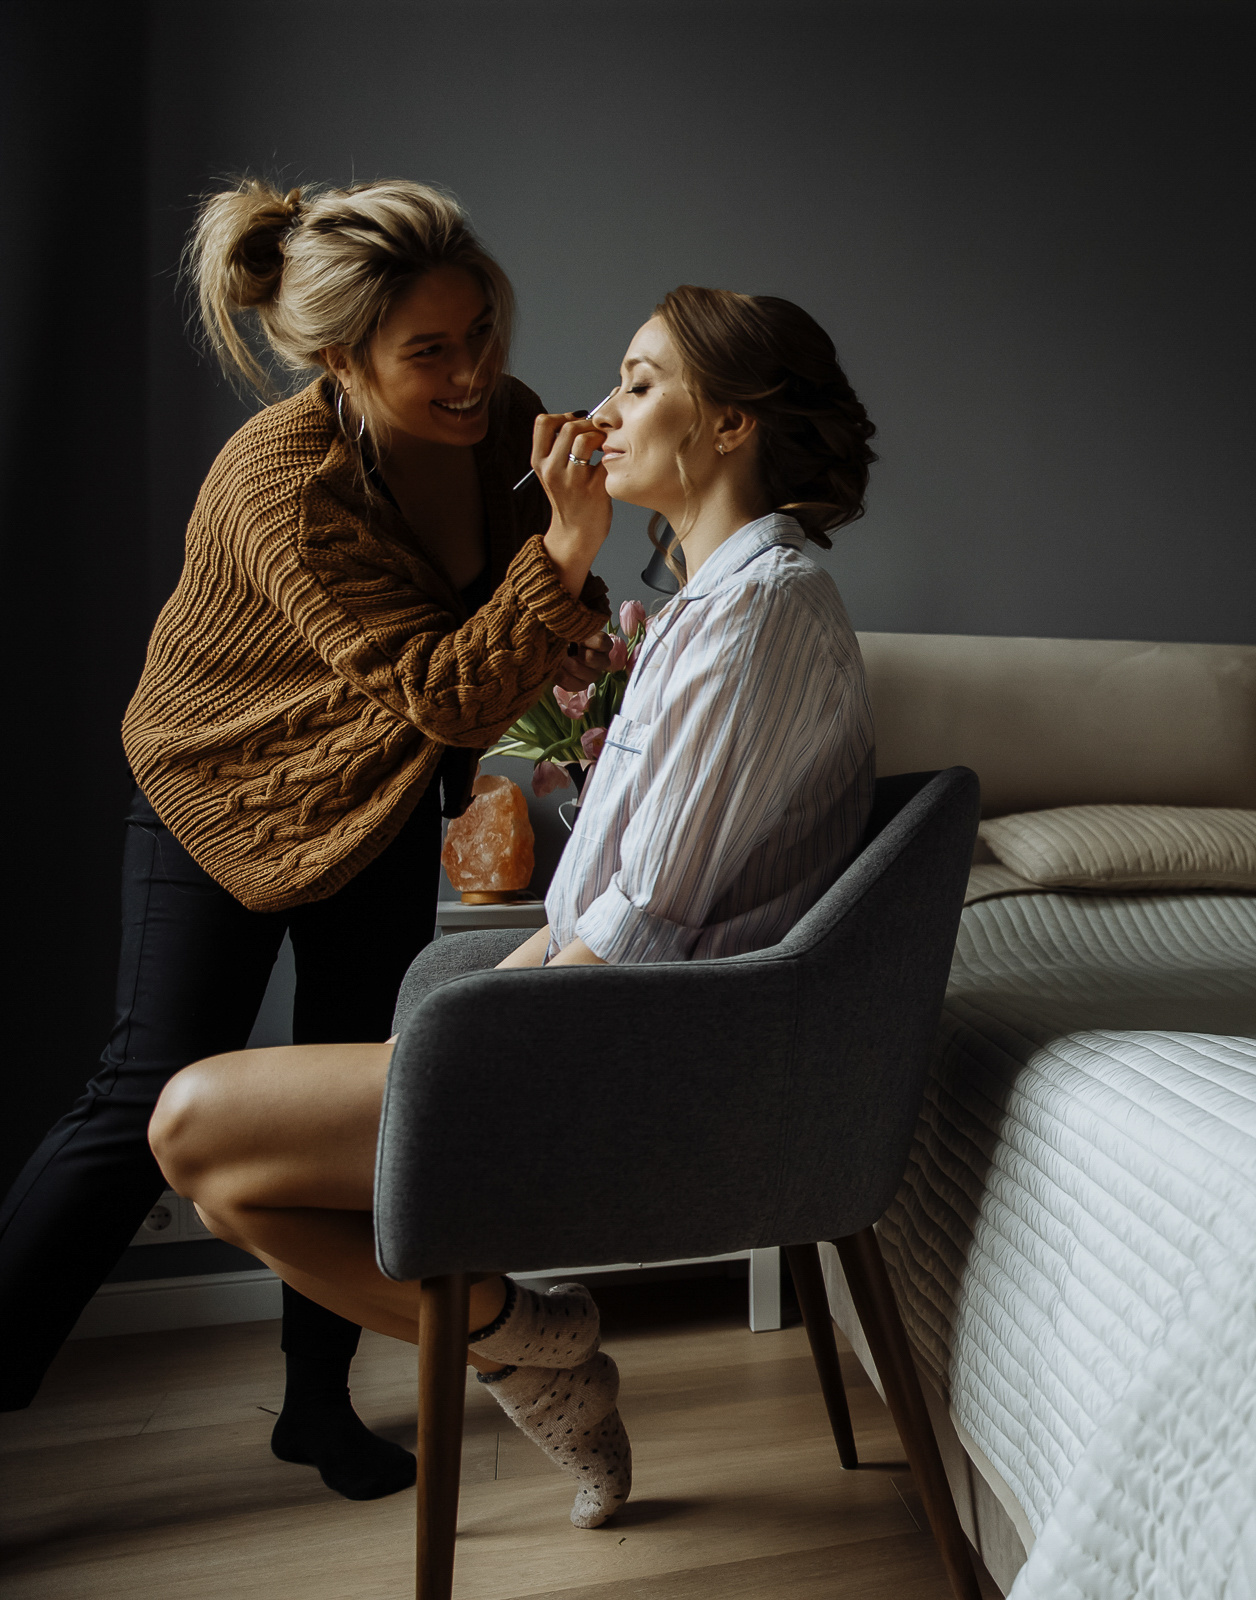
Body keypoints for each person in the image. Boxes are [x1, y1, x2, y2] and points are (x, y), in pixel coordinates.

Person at [147, 285, 881, 1530]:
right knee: (224, 1175)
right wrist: (469, 1018)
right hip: (593, 1026)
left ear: (729, 427)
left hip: (652, 1058)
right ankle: (532, 1343)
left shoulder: (761, 614)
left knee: (192, 1124)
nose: (600, 409)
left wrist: (474, 1040)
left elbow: (640, 926)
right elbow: (601, 895)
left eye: (641, 383)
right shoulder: (706, 610)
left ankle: (528, 1343)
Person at [0, 177, 616, 1501]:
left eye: (481, 333)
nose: (473, 375)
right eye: (431, 352)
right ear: (341, 357)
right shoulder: (282, 482)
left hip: (376, 796)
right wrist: (563, 554)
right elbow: (455, 684)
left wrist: (583, 596)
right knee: (139, 1099)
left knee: (349, 1116)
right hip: (217, 790)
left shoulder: (496, 419)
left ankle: (317, 1409)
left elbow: (528, 615)